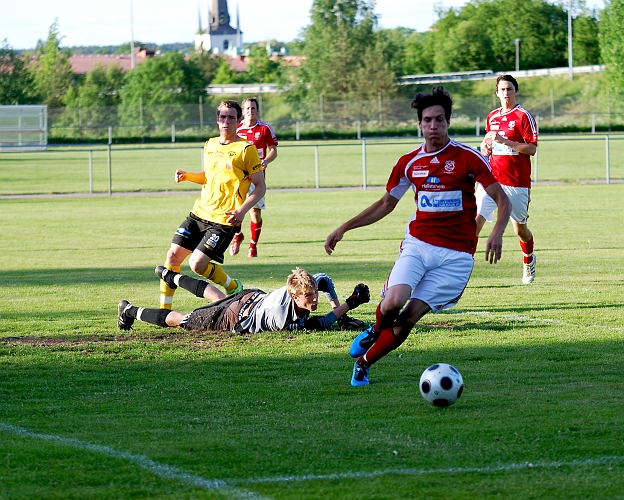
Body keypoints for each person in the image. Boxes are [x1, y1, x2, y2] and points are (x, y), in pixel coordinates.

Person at [324, 86, 511, 387]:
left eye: (439, 119)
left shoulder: (469, 158)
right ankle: (375, 330)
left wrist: (497, 233)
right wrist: (344, 227)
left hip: (457, 256)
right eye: (427, 120)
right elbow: (386, 204)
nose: (433, 126)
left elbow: (502, 199)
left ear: (448, 122)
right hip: (419, 244)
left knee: (409, 317)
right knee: (393, 301)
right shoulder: (409, 162)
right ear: (420, 124)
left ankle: (364, 363)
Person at [159, 100, 265, 310]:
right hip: (199, 213)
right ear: (217, 120)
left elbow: (260, 186)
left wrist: (242, 211)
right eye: (223, 117)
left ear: (239, 121)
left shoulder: (246, 149)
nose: (227, 121)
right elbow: (209, 176)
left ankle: (233, 286)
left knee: (197, 264)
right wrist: (188, 176)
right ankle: (164, 311)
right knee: (172, 255)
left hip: (224, 220)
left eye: (231, 117)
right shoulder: (210, 144)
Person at [119, 266, 370, 334]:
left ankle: (171, 276)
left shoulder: (305, 285)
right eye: (308, 297)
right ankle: (129, 310)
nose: (314, 300)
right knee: (185, 321)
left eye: (314, 295)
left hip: (251, 296)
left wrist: (343, 316)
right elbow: (320, 324)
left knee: (217, 297)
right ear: (294, 296)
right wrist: (351, 302)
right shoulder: (281, 317)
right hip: (238, 318)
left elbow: (324, 279)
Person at [477, 74, 538, 284]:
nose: (506, 93)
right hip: (491, 180)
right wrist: (485, 146)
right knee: (476, 222)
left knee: (519, 229)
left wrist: (506, 141)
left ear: (515, 91)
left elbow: (532, 149)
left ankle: (528, 259)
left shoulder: (523, 116)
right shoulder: (492, 116)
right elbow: (487, 141)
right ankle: (457, 270)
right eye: (502, 89)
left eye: (509, 89)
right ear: (497, 93)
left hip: (516, 183)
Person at [229, 97, 279, 258]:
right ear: (242, 111)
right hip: (239, 177)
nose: (250, 111)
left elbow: (273, 150)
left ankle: (253, 246)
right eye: (247, 108)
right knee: (235, 209)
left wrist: (266, 161)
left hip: (257, 177)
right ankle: (237, 236)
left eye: (253, 108)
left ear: (257, 110)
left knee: (255, 213)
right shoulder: (236, 129)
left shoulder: (264, 129)